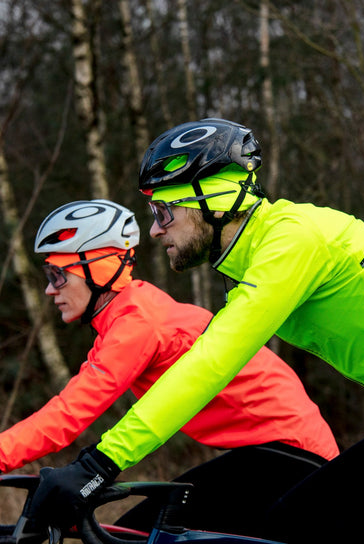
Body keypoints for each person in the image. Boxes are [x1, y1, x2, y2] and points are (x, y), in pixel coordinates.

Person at [29, 119, 364, 543]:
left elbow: (210, 364)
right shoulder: (259, 258)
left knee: (290, 533)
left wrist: (99, 463)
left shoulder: (289, 243)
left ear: (212, 199)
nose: (156, 228)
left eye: (163, 210)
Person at [11, 198, 338, 536]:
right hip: (281, 453)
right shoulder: (130, 317)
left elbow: (65, 417)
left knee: (133, 534)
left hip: (291, 456)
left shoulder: (139, 324)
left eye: (58, 275)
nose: (50, 289)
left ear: (100, 269)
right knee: (133, 533)